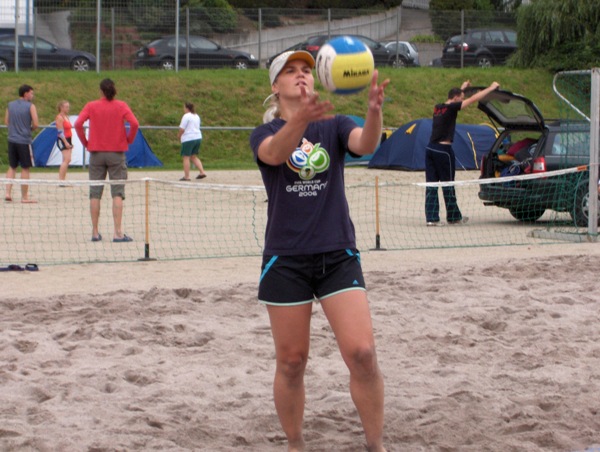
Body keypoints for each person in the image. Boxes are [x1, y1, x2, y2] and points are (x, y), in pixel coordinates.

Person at [249, 50, 389, 452]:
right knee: (292, 362)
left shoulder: (335, 125)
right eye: (291, 71)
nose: (301, 76)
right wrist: (300, 120)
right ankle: (296, 444)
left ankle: (376, 445)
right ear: (275, 86)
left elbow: (365, 144)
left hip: (336, 253)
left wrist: (374, 112)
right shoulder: (264, 133)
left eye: (307, 70)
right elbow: (275, 153)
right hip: (286, 259)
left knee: (363, 354)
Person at [425, 79, 500, 226]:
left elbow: (455, 100)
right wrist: (491, 88)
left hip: (430, 149)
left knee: (431, 185)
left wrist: (462, 89)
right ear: (455, 98)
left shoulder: (438, 107)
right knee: (448, 184)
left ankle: (432, 219)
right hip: (443, 151)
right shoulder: (452, 107)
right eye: (461, 98)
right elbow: (473, 99)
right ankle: (453, 217)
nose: (462, 101)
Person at [74, 78, 138, 243]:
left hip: (96, 153)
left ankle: (95, 232)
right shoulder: (121, 106)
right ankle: (117, 232)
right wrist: (128, 139)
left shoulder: (91, 106)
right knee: (117, 192)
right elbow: (134, 123)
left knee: (95, 193)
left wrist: (86, 143)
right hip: (116, 153)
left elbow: (78, 124)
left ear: (101, 91)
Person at [4, 84, 39, 203]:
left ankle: (8, 193)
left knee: (12, 166)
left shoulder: (10, 105)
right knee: (25, 167)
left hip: (12, 139)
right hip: (24, 140)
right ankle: (24, 197)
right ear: (26, 94)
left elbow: (6, 121)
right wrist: (29, 129)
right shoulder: (30, 106)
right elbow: (36, 123)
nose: (32, 95)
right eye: (31, 93)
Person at [177, 102, 206, 181]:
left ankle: (187, 176)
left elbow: (182, 129)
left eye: (184, 107)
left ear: (187, 108)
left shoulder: (186, 116)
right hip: (198, 137)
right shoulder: (196, 116)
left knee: (186, 157)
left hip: (189, 138)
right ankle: (202, 172)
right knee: (193, 156)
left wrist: (179, 135)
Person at [55, 100, 73, 183]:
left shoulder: (66, 116)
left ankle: (63, 179)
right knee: (67, 159)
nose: (68, 108)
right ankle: (61, 180)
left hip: (68, 138)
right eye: (66, 107)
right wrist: (65, 142)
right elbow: (60, 132)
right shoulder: (59, 117)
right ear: (61, 108)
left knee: (66, 160)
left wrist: (70, 142)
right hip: (63, 139)